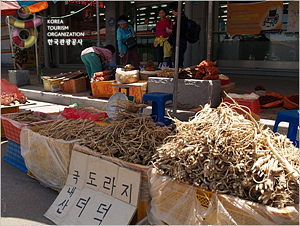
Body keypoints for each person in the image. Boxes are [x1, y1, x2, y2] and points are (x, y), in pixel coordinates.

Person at [167, 2, 188, 68]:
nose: (172, 13)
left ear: (177, 10)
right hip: (180, 41)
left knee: (178, 60)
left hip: (180, 41)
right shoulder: (182, 18)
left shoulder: (181, 19)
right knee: (178, 59)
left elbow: (180, 31)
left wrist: (171, 31)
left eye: (173, 11)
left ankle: (179, 73)